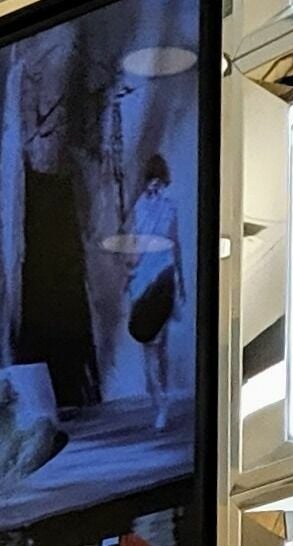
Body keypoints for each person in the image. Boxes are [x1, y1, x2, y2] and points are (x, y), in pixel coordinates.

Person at [122, 153, 182, 431]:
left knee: (160, 344)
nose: (155, 186)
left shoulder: (170, 208)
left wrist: (181, 284)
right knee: (150, 345)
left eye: (159, 180)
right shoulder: (139, 208)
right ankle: (158, 399)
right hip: (145, 279)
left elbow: (175, 245)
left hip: (164, 278)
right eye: (151, 180)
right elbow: (134, 247)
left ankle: (162, 403)